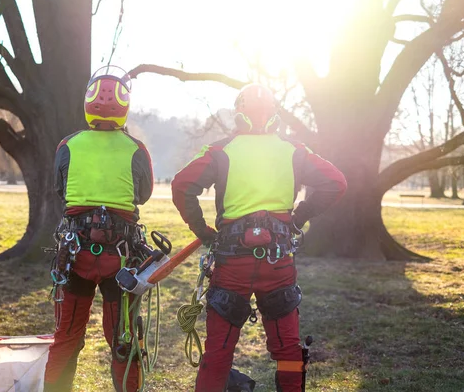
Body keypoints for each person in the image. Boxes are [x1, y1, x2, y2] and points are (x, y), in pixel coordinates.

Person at [171, 83, 347, 392]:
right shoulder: (294, 151)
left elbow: (182, 184)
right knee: (289, 351)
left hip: (231, 262)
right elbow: (336, 182)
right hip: (278, 262)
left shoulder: (221, 150)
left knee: (219, 352)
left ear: (240, 115)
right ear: (274, 116)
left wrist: (202, 231)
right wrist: (300, 215)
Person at [44, 66, 153, 392]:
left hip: (75, 255)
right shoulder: (136, 149)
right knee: (123, 339)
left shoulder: (68, 144)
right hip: (119, 259)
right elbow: (143, 195)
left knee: (66, 337)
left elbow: (60, 190)